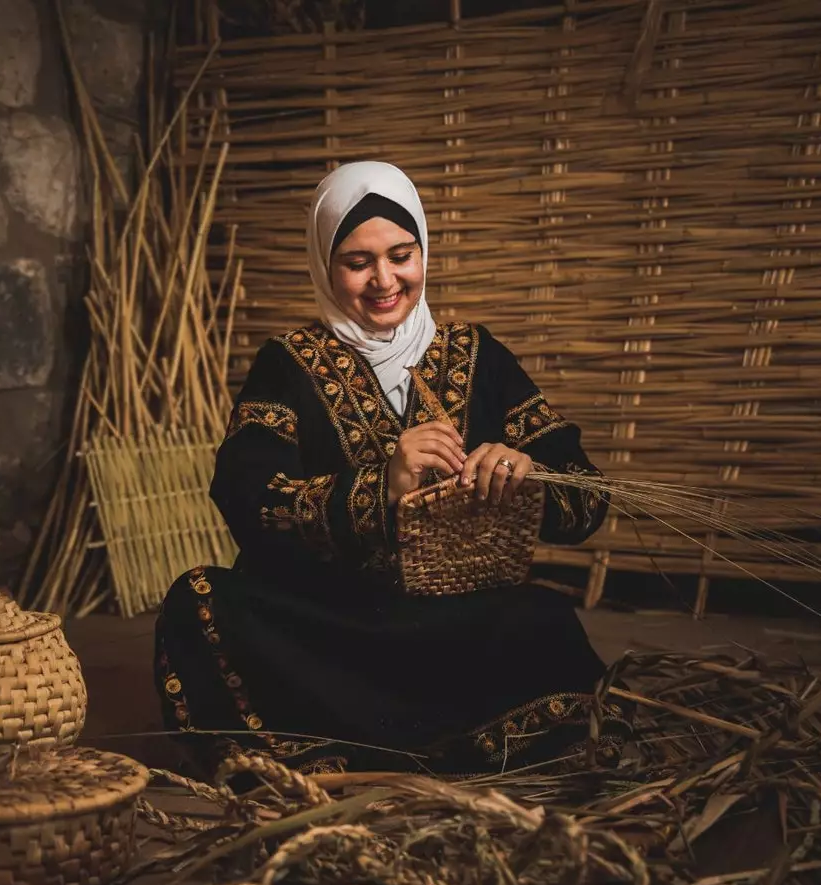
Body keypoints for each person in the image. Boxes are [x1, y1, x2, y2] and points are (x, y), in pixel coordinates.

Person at [154, 161, 612, 775]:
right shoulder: (288, 364)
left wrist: (525, 469)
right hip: (334, 623)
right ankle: (381, 742)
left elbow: (586, 496)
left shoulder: (479, 354)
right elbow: (246, 492)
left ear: (424, 250)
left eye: (401, 255)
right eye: (357, 262)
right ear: (324, 263)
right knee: (200, 601)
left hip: (454, 622)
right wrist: (381, 488)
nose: (384, 280)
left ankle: (388, 737)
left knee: (542, 619)